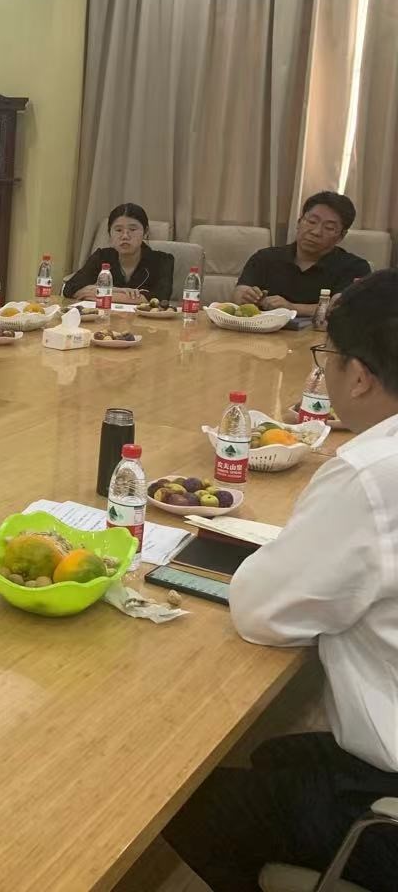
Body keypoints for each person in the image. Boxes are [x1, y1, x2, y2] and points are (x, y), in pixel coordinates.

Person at [163, 269, 398, 891]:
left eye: (328, 356)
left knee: (178, 798)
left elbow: (261, 612)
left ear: (359, 375)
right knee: (274, 755)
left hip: (390, 794)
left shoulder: (372, 474)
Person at [233, 191, 371, 314]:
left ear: (341, 236)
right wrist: (246, 297)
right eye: (311, 221)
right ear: (299, 222)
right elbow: (239, 294)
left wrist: (292, 308)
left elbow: (341, 308)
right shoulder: (265, 258)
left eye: (329, 228)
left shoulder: (355, 267)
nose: (316, 232)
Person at [62, 203, 175, 303]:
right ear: (110, 234)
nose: (125, 236)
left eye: (132, 229)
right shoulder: (101, 256)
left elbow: (160, 297)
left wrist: (99, 293)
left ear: (145, 232)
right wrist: (118, 291)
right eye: (118, 230)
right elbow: (70, 289)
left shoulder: (163, 260)